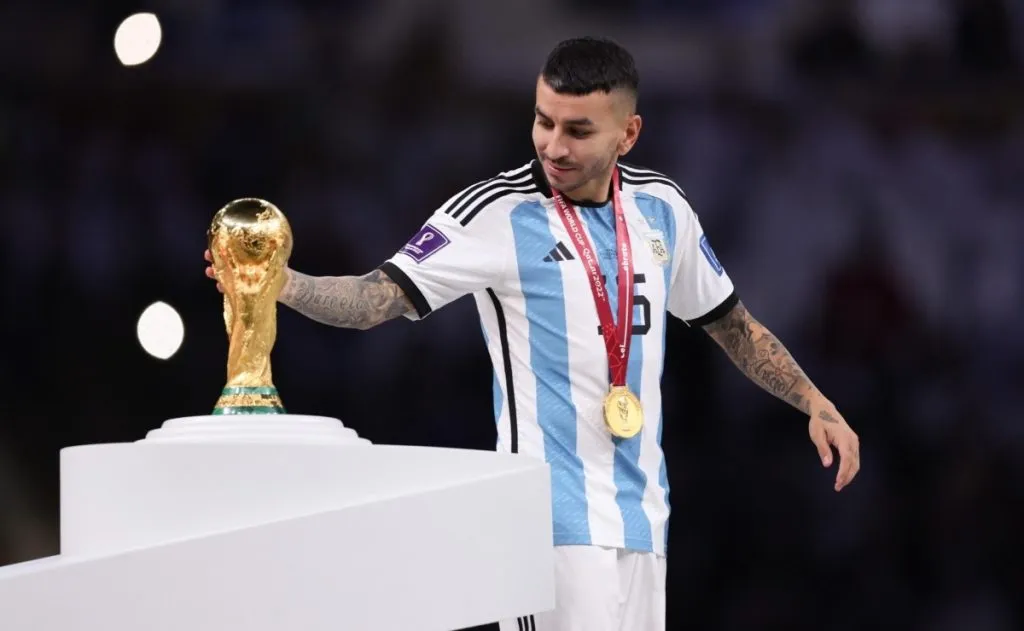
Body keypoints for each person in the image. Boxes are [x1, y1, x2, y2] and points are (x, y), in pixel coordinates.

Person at [205, 36, 860, 631]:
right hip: (547, 526)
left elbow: (733, 326)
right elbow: (375, 297)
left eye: (578, 130)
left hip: (644, 524)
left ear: (627, 134)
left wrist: (815, 401)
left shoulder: (664, 209)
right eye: (544, 121)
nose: (553, 145)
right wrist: (282, 283)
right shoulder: (492, 213)